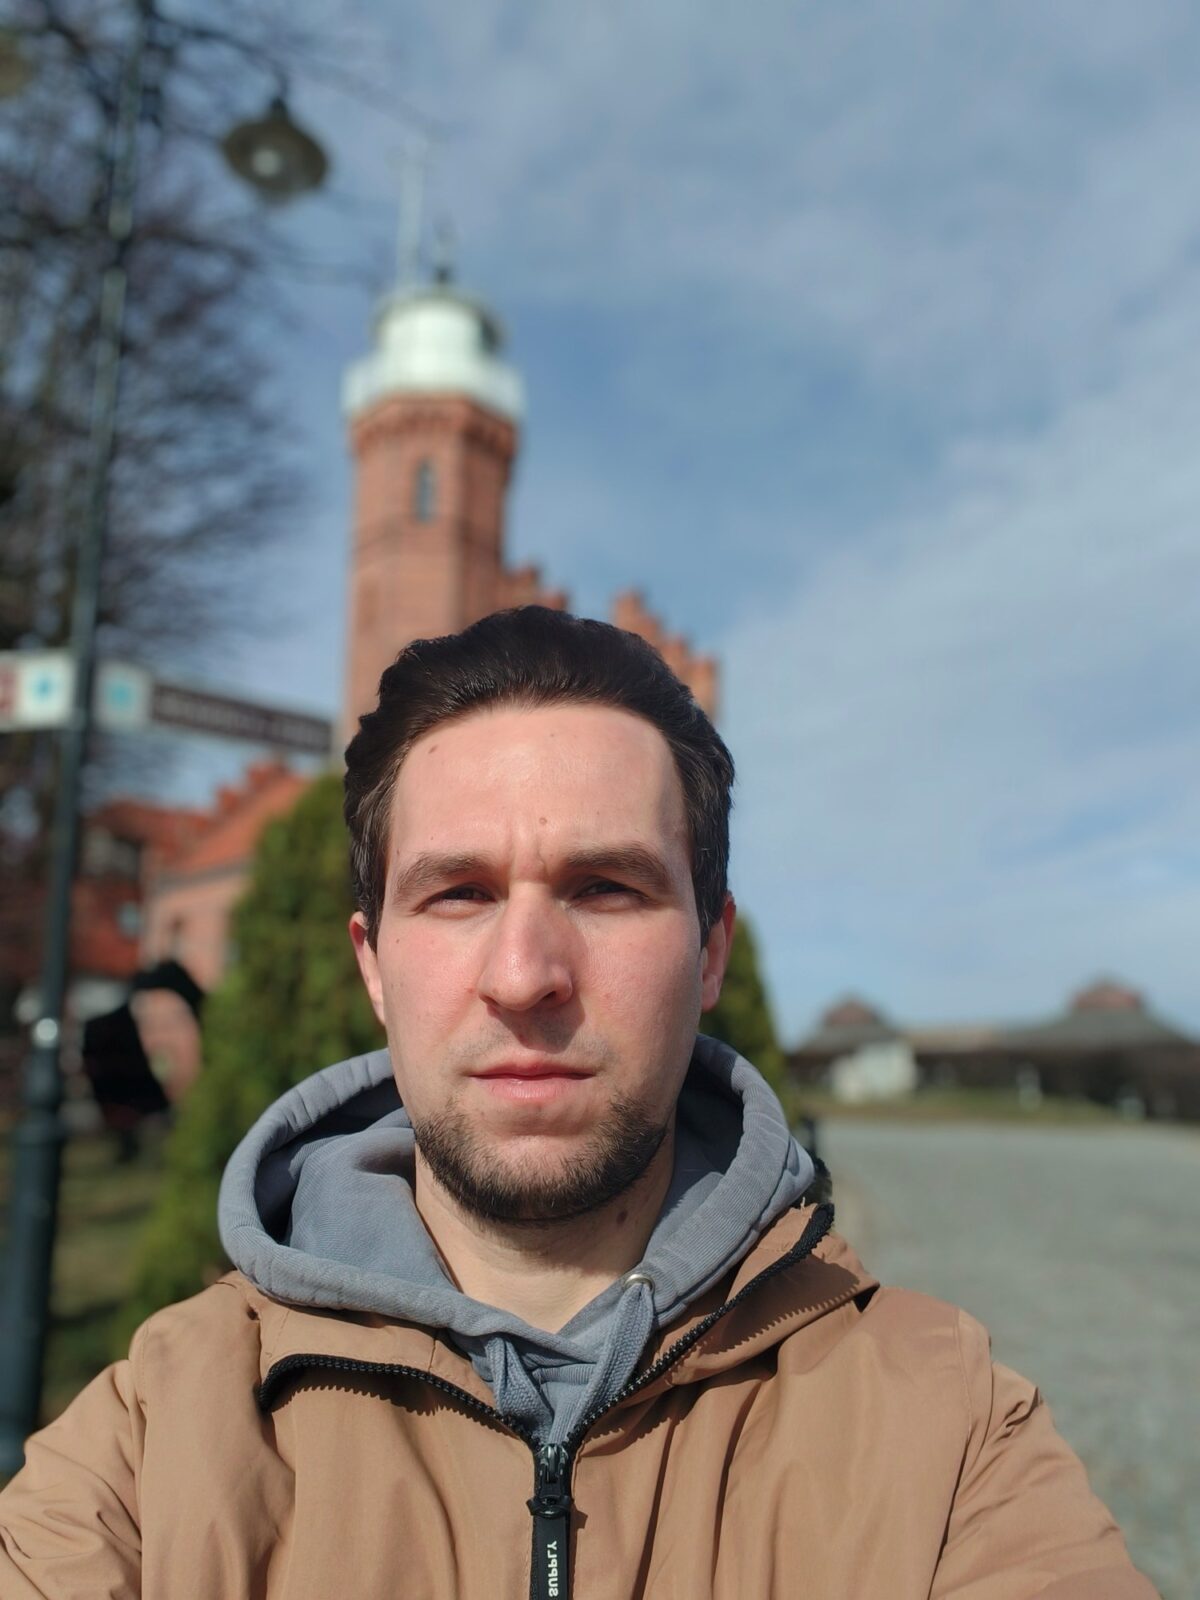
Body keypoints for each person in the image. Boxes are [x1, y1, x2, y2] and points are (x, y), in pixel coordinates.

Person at [0, 608, 1156, 1598]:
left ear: (710, 953)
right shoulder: (151, 1445)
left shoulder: (946, 1433)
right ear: (373, 965)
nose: (525, 975)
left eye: (605, 887)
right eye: (458, 893)